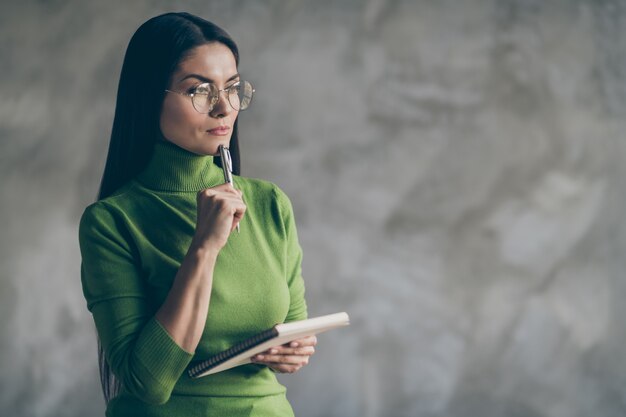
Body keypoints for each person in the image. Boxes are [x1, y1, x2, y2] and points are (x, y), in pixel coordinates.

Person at [78, 12, 315, 416]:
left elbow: (294, 327)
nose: (224, 108)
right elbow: (148, 383)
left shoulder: (270, 203)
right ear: (150, 97)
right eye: (200, 91)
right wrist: (204, 247)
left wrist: (294, 350)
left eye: (233, 88)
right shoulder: (111, 221)